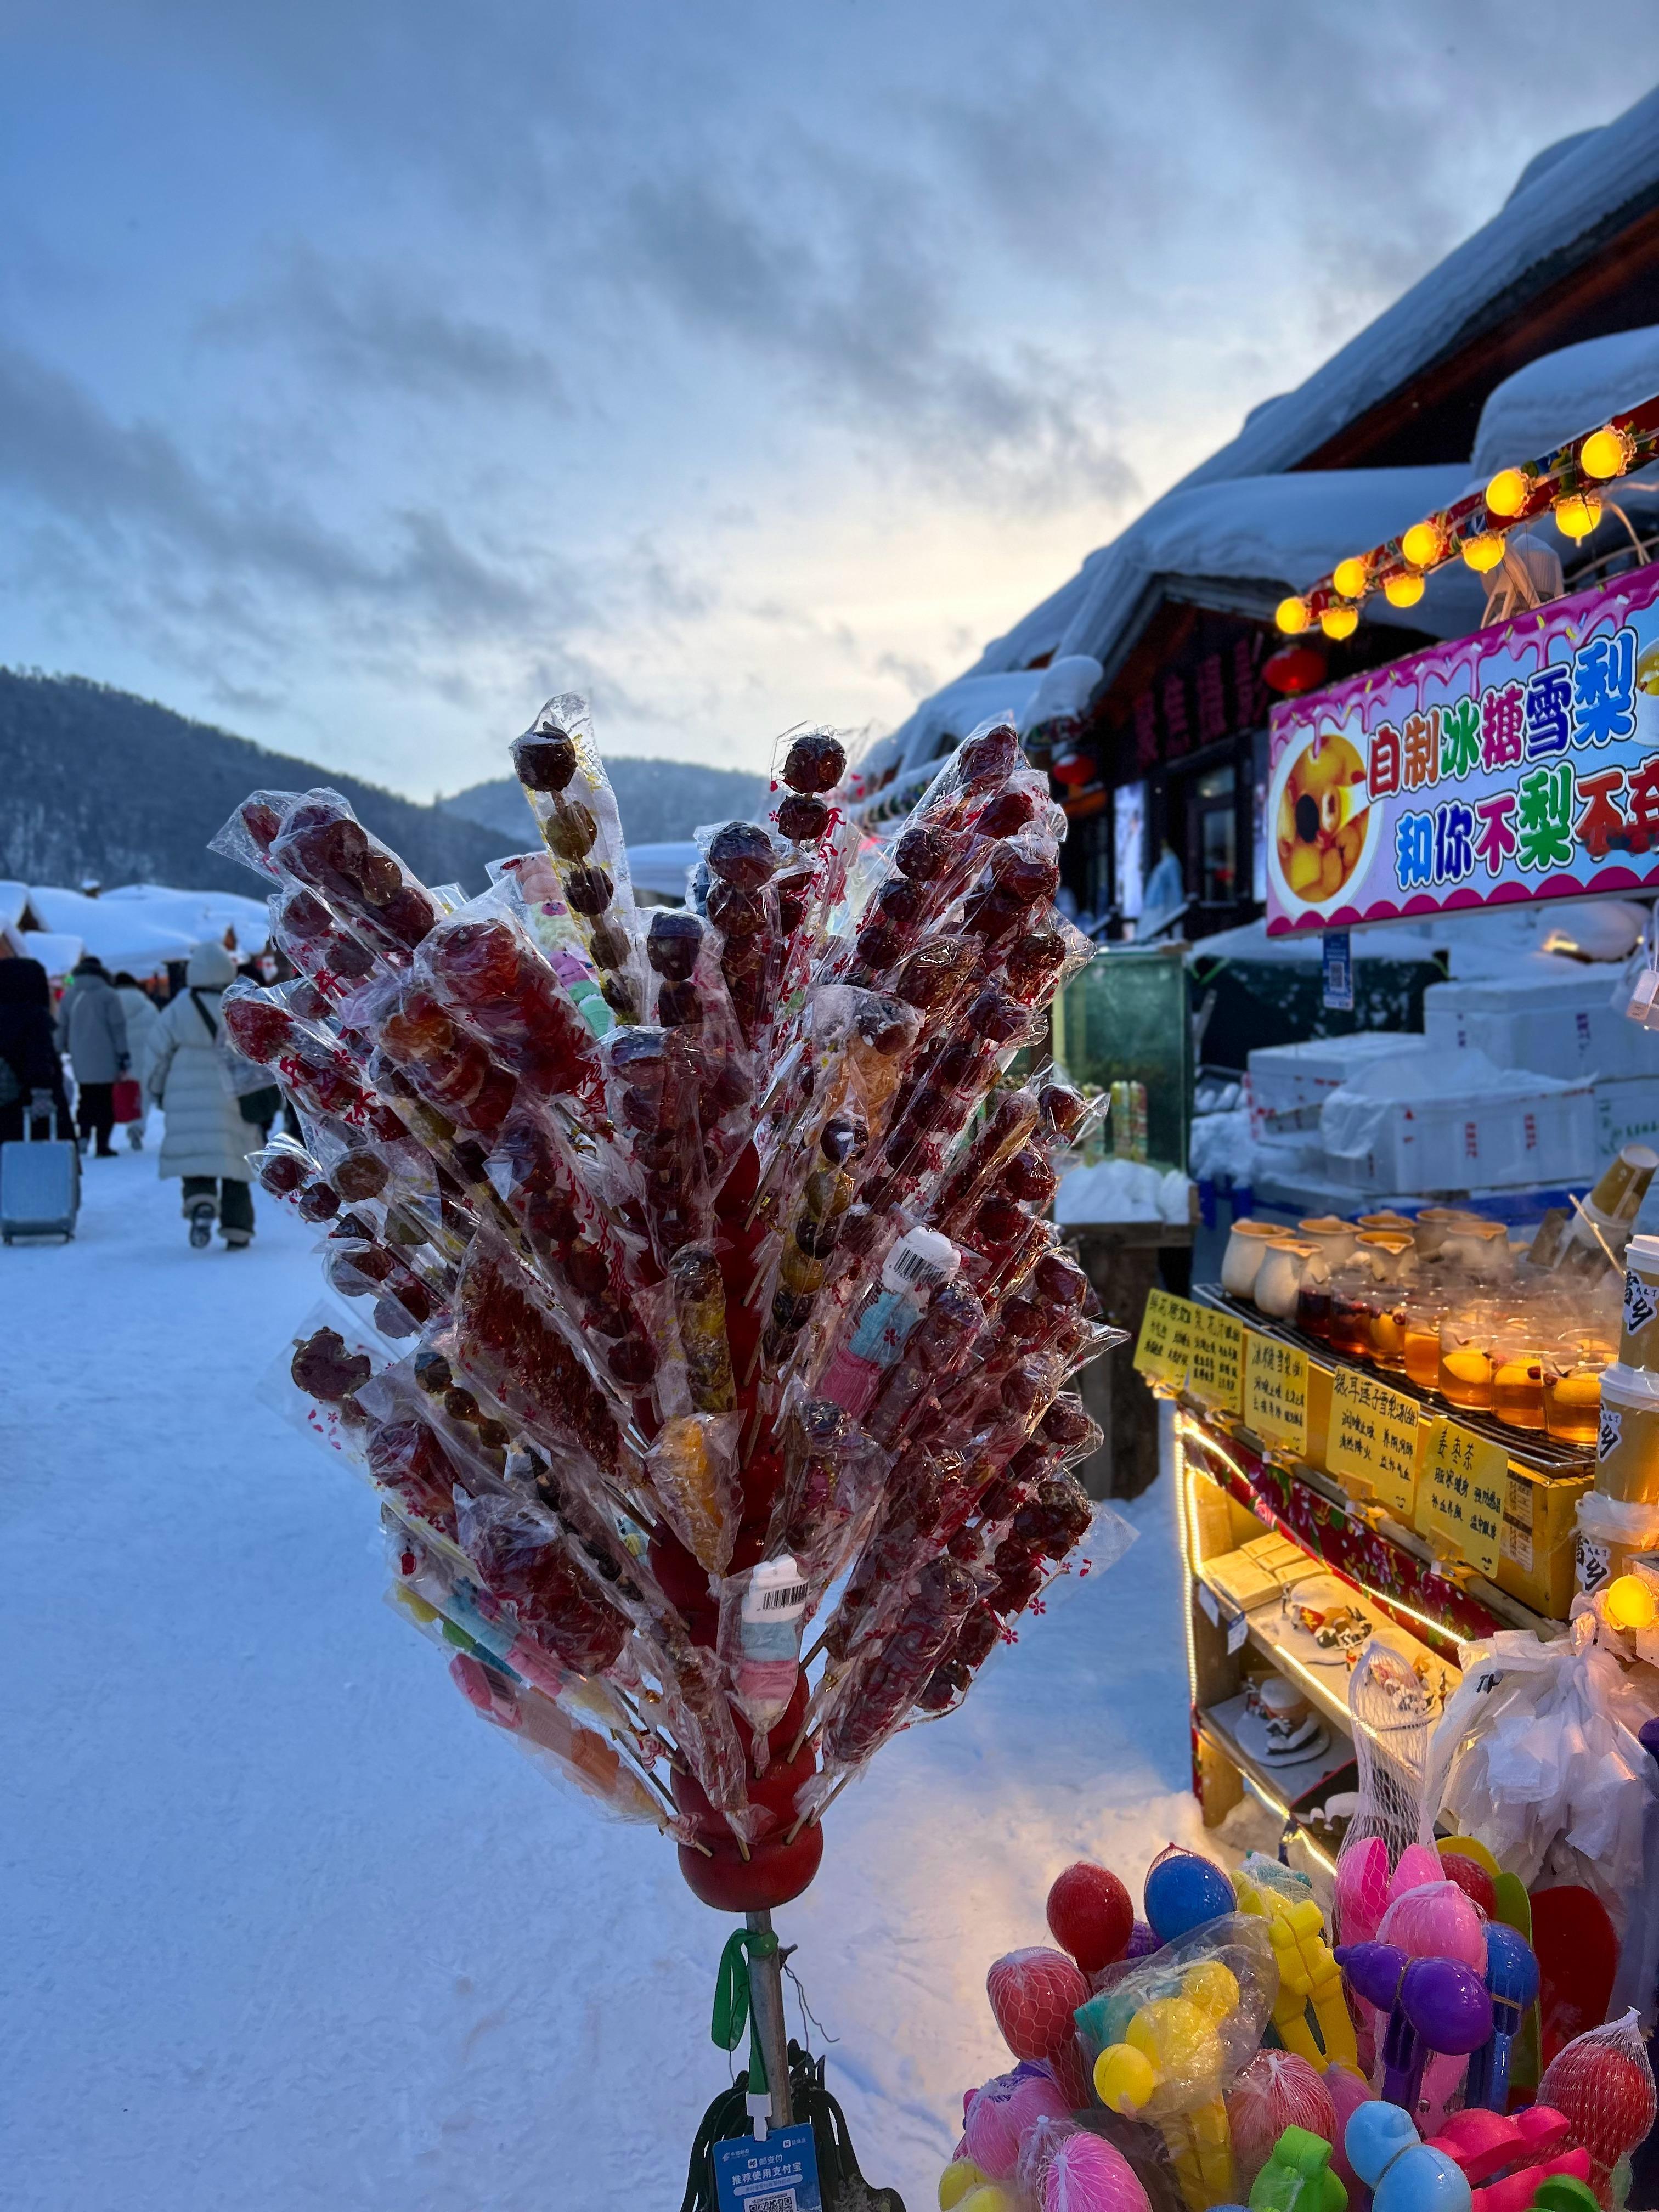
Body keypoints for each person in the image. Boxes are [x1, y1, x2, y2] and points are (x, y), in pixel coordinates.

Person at [145, 941, 258, 1249]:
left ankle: (201, 1202)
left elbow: (156, 1055)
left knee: (196, 1156)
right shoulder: (238, 1007)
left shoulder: (178, 1009)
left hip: (185, 1094)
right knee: (235, 1160)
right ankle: (238, 1229)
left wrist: (155, 1089)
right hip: (232, 1092)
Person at [60, 953, 129, 1158]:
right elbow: (118, 1028)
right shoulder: (109, 994)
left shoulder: (69, 995)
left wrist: (60, 1048)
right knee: (105, 1100)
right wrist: (123, 1054)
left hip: (80, 1056)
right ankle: (102, 1145)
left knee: (86, 1097)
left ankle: (83, 1136)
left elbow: (62, 1026)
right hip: (106, 1056)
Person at [0, 957, 72, 1144]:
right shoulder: (34, 1017)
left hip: (5, 1101)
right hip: (29, 1106)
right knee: (36, 1162)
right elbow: (38, 1059)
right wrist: (43, 1093)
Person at [111, 972, 161, 1151]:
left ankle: (115, 1129)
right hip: (144, 1058)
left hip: (118, 1059)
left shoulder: (109, 1005)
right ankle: (137, 1129)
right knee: (143, 1096)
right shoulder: (148, 1007)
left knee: (119, 1094)